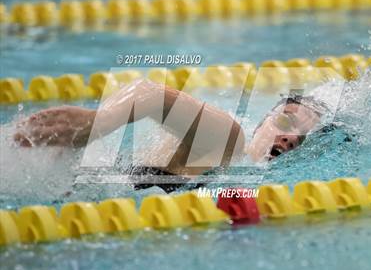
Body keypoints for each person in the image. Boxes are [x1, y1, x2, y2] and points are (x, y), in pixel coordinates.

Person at [13, 78, 330, 192]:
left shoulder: (240, 179)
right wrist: (96, 124)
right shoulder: (228, 140)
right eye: (287, 124)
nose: (291, 139)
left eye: (303, 138)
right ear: (261, 124)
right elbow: (148, 93)